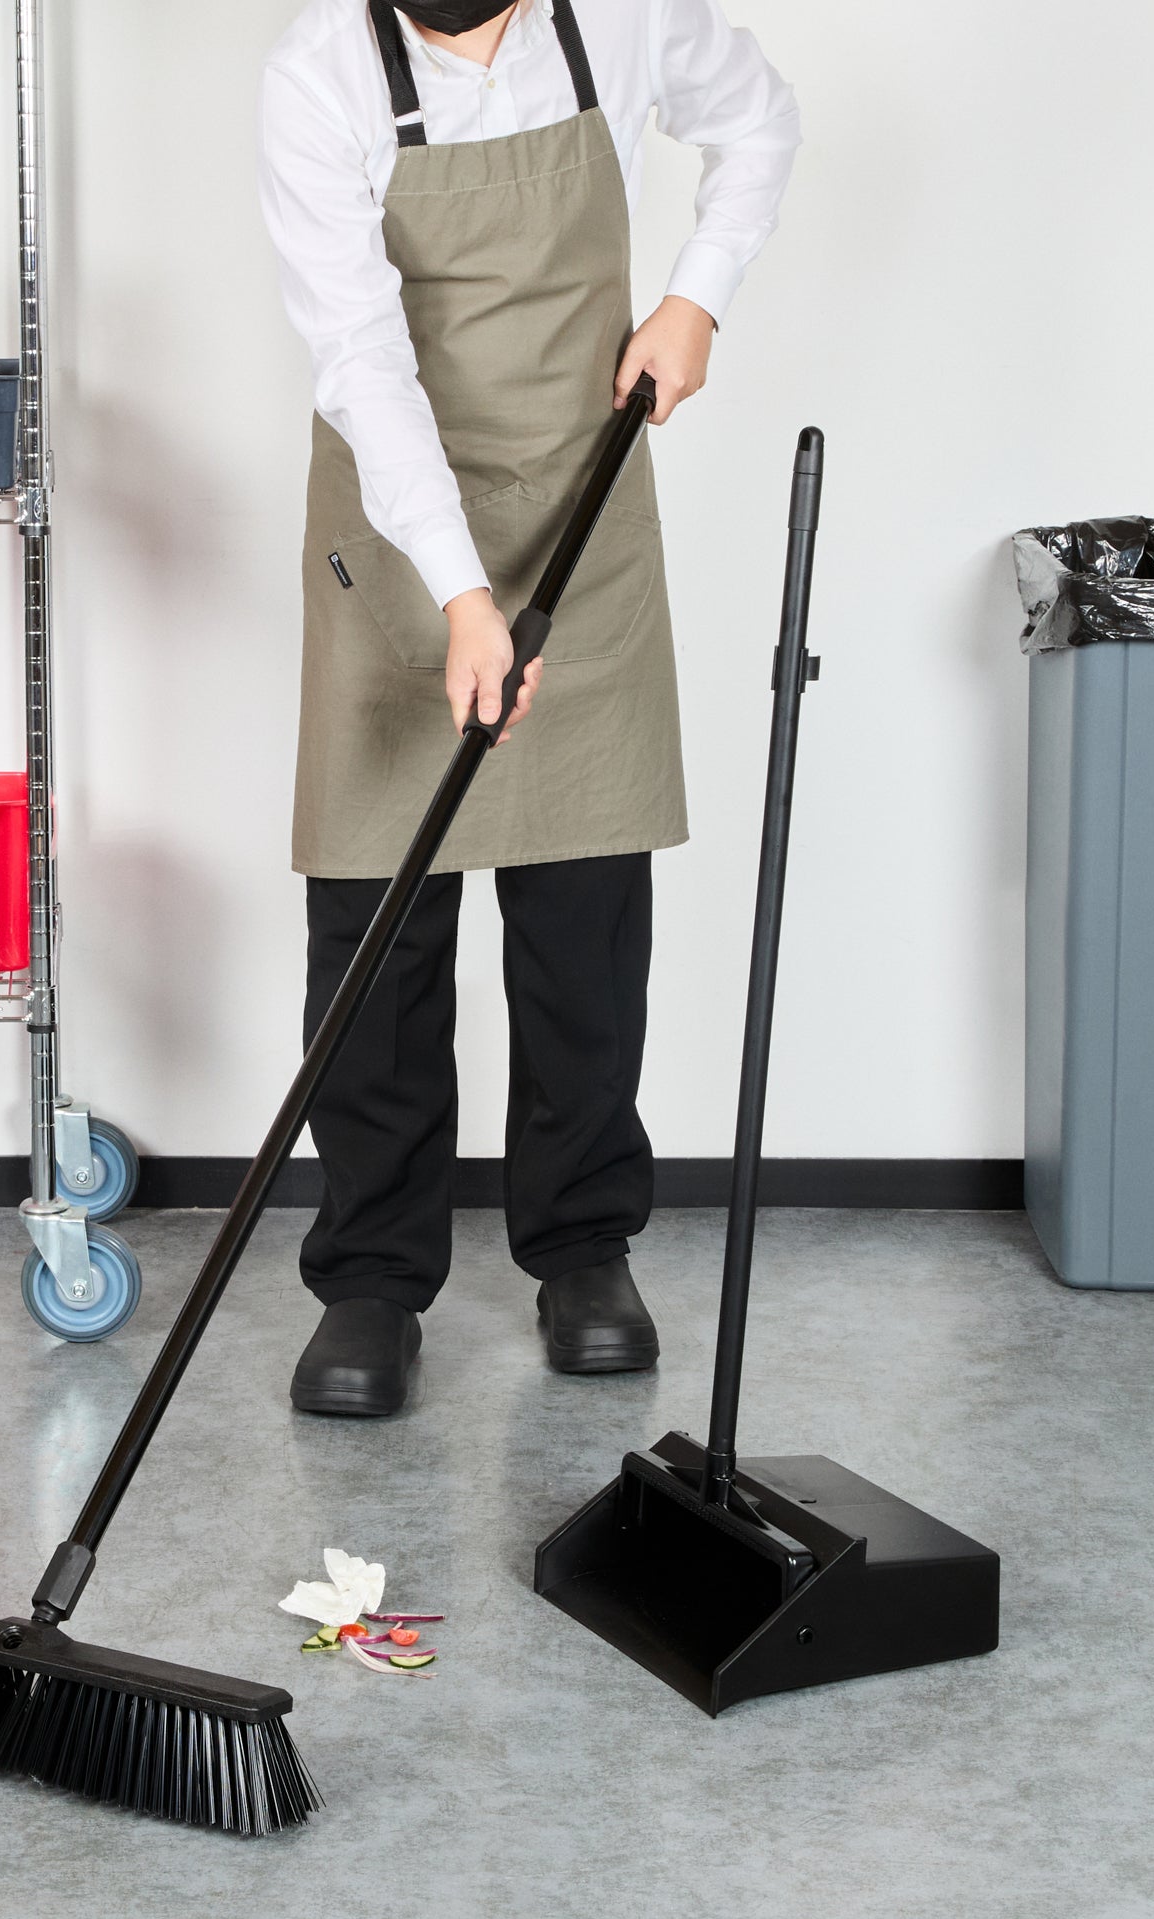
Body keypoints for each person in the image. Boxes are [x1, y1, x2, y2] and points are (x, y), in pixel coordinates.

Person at [259, 0, 799, 1417]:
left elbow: (758, 118)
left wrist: (697, 294)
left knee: (582, 908)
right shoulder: (319, 74)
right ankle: (373, 1276)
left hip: (582, 496)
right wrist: (461, 593)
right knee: (378, 915)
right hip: (396, 533)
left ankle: (583, 1249)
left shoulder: (621, 16)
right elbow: (362, 360)